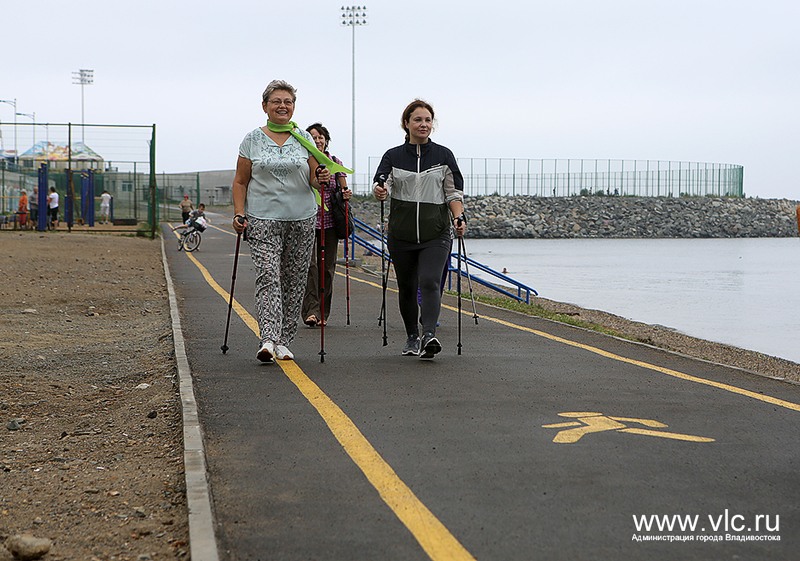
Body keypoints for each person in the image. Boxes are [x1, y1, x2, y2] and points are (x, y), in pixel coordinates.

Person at [232, 79, 350, 363]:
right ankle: (268, 339)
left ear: (294, 107)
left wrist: (321, 177)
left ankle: (285, 339)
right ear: (265, 106)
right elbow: (240, 181)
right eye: (277, 101)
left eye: (288, 102)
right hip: (262, 219)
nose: (283, 106)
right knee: (268, 277)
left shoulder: (304, 138)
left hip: (301, 219)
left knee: (295, 280)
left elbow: (312, 177)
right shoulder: (252, 139)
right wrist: (239, 212)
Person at [373, 99, 466, 359]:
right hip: (401, 235)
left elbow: (453, 193)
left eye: (427, 120)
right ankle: (411, 336)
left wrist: (459, 217)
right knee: (406, 285)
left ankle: (429, 335)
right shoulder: (393, 156)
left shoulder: (444, 155)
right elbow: (382, 184)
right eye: (418, 120)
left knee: (429, 280)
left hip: (435, 233)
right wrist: (380, 191)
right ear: (407, 123)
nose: (423, 124)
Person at [301, 123, 352, 328]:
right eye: (313, 137)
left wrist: (346, 194)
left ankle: (323, 312)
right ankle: (311, 311)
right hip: (307, 221)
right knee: (310, 267)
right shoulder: (304, 162)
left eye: (321, 137)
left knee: (328, 269)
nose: (318, 140)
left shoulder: (334, 162)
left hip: (330, 223)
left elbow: (344, 190)